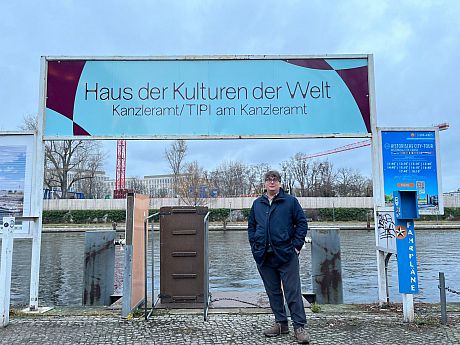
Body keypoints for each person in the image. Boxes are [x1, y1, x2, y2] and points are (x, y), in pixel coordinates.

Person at [248, 170, 310, 344]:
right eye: (268, 180)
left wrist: (296, 246)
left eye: (275, 180)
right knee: (273, 292)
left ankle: (299, 326)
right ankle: (281, 323)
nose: (272, 182)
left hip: (286, 255)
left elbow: (302, 223)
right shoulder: (257, 204)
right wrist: (255, 246)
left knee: (292, 292)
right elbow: (251, 226)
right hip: (264, 256)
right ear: (265, 183)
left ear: (280, 183)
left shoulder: (290, 202)